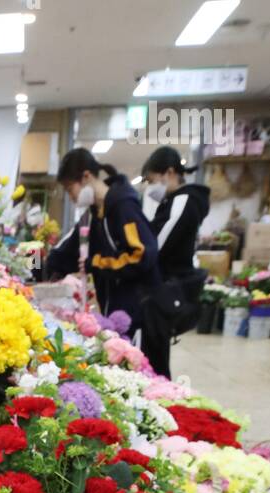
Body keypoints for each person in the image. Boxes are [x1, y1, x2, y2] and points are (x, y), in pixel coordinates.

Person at [43, 148, 161, 339]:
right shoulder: (94, 214)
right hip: (116, 310)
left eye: (69, 189)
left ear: (86, 176)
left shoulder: (123, 207)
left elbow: (142, 254)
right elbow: (66, 252)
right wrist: (36, 267)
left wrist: (96, 263)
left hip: (141, 312)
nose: (71, 198)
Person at [139, 146, 211, 377]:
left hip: (166, 290)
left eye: (152, 180)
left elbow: (155, 245)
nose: (151, 188)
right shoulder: (175, 201)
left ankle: (161, 402)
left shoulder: (184, 201)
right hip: (165, 288)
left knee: (155, 361)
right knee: (154, 355)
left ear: (169, 172)